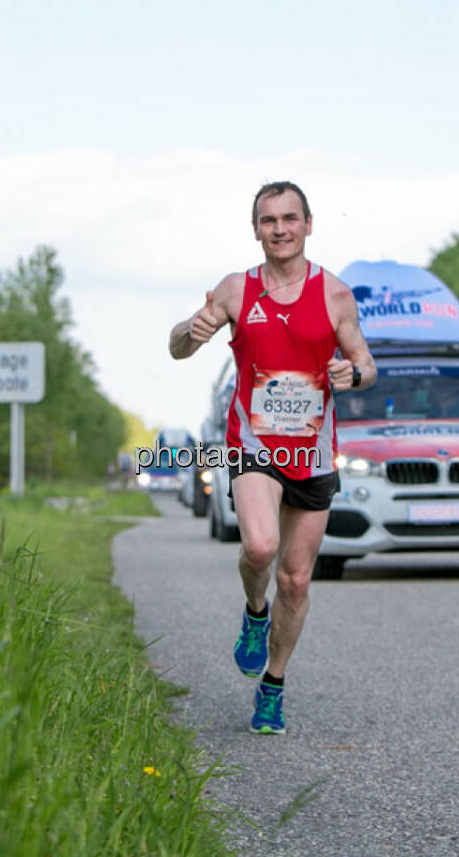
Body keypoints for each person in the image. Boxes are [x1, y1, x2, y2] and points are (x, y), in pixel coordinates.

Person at [168, 180, 375, 735]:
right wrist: (194, 330)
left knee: (297, 580)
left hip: (312, 451)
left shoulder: (334, 294)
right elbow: (176, 345)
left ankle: (273, 686)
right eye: (268, 220)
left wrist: (351, 372)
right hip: (253, 446)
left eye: (289, 218)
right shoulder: (236, 290)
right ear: (255, 229)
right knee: (259, 547)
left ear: (309, 225)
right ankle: (254, 616)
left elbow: (366, 364)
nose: (279, 229)